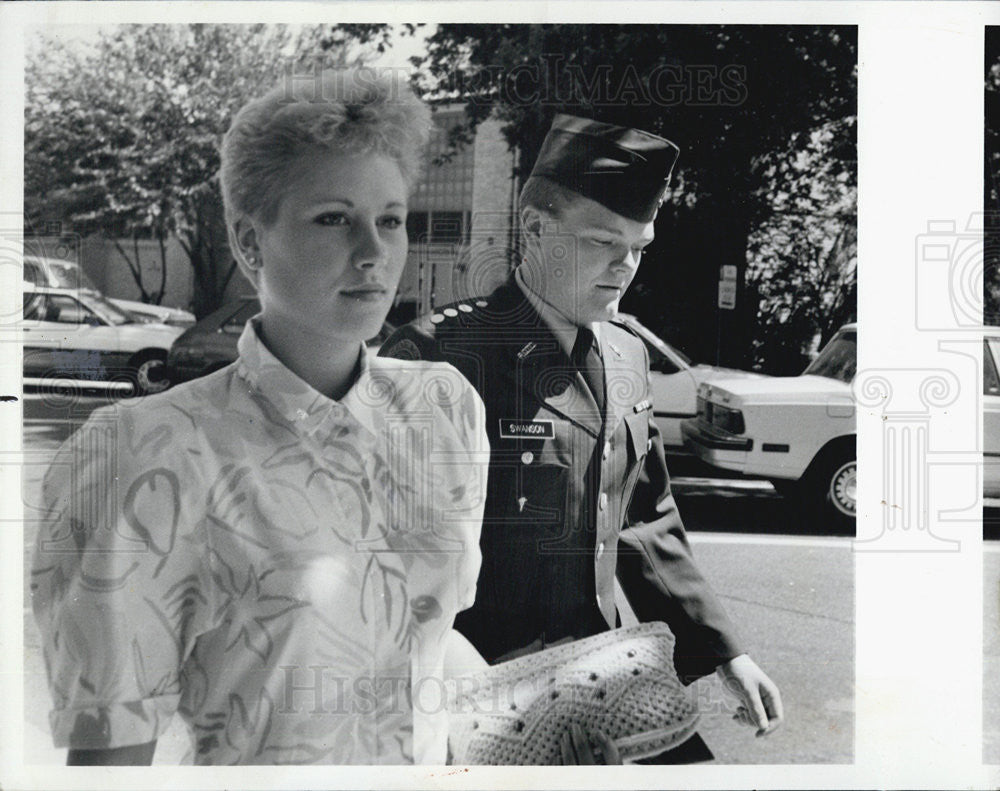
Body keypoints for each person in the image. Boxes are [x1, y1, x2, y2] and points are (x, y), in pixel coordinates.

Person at [30, 67, 491, 766]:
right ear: (249, 244)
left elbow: (426, 641)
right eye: (334, 218)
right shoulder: (144, 452)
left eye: (390, 219)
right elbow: (111, 758)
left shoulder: (444, 411)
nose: (374, 252)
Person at [380, 113, 784, 761]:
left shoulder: (626, 356)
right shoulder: (443, 354)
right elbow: (387, 564)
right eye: (602, 243)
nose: (626, 267)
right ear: (536, 228)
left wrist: (723, 650)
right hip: (485, 700)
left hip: (607, 680)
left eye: (640, 247)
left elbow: (645, 520)